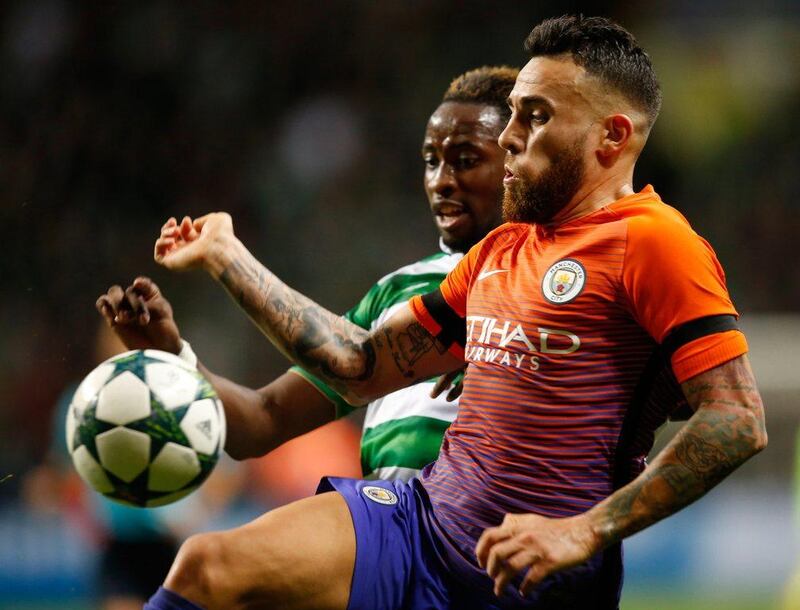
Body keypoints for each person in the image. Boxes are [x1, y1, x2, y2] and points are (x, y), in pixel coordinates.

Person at [118, 15, 767, 610]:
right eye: (513, 115)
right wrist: (227, 254)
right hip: (418, 525)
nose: (510, 138)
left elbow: (736, 420)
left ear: (612, 136)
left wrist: (584, 530)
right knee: (208, 563)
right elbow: (360, 365)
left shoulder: (655, 242)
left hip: (533, 575)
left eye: (534, 117)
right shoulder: (502, 249)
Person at [97, 66, 516, 486]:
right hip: (392, 530)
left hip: (483, 532)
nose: (441, 181)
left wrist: (226, 255)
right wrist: (173, 356)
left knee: (210, 555)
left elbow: (356, 363)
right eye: (430, 161)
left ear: (519, 160)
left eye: (465, 160)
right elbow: (262, 421)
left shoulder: (542, 283)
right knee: (208, 554)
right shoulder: (395, 291)